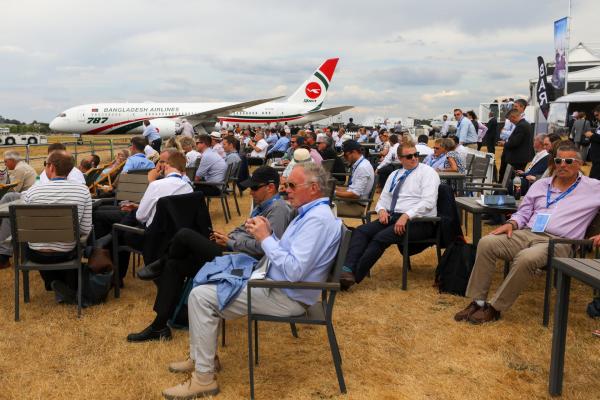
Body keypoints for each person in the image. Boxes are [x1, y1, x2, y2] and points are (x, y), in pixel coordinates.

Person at [162, 163, 341, 399]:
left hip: (285, 294)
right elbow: (290, 256)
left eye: (291, 185)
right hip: (277, 285)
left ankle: (203, 378)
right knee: (204, 284)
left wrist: (266, 238)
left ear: (314, 188)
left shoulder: (317, 220)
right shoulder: (312, 213)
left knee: (202, 296)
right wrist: (270, 233)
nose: (286, 190)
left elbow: (294, 270)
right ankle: (201, 359)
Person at [127, 166, 294, 342]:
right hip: (231, 254)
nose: (250, 192)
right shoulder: (263, 207)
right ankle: (159, 326)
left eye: (254, 188)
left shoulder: (278, 209)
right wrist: (227, 236)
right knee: (174, 265)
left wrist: (229, 242)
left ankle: (159, 263)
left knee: (184, 234)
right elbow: (246, 232)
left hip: (240, 263)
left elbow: (265, 248)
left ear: (270, 187)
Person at [455, 142, 600, 324]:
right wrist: (512, 223)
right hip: (528, 232)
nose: (562, 165)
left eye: (568, 161)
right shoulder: (541, 185)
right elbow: (523, 212)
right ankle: (478, 301)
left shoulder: (593, 187)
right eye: (558, 160)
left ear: (579, 163)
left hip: (560, 241)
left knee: (526, 258)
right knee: (487, 242)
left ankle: (495, 308)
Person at [339, 142, 440, 289]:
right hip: (394, 217)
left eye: (416, 155)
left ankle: (352, 276)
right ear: (400, 159)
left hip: (420, 221)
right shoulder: (394, 174)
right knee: (361, 231)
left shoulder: (428, 173)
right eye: (409, 156)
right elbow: (383, 199)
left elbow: (428, 202)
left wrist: (406, 216)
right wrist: (381, 210)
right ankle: (346, 269)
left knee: (380, 238)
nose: (414, 158)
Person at [23, 150, 92, 292]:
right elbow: (85, 229)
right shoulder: (82, 190)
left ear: (51, 167)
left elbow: (26, 227)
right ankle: (61, 284)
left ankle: (53, 282)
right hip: (66, 251)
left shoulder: (33, 191)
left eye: (45, 164)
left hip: (36, 253)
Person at [335, 140, 375, 217]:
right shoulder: (360, 164)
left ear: (354, 152)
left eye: (346, 155)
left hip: (356, 206)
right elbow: (352, 189)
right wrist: (336, 188)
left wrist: (334, 193)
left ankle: (341, 228)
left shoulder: (362, 168)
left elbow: (355, 194)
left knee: (326, 208)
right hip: (352, 202)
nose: (344, 158)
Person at [499, 108, 534, 181]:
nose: (511, 122)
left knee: (515, 179)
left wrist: (504, 144)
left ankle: (515, 192)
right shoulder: (525, 124)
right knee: (516, 178)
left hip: (517, 158)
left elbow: (514, 143)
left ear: (513, 117)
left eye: (510, 120)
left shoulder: (521, 126)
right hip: (521, 157)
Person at [584, 105, 600, 179]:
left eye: (597, 115)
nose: (596, 117)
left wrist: (592, 135)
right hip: (596, 162)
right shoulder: (598, 125)